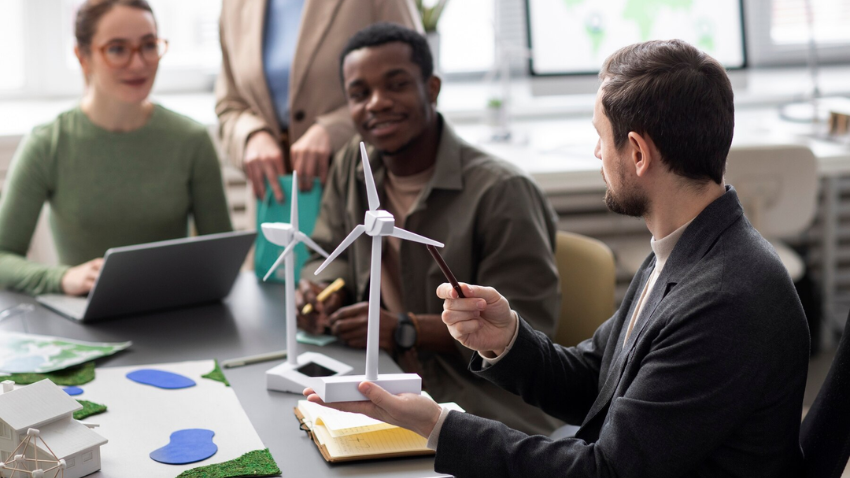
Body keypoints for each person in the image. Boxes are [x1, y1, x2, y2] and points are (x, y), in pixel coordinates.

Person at [306, 39, 811, 477]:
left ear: (637, 153)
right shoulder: (686, 248)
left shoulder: (725, 301)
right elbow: (597, 380)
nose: (596, 154)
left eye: (600, 136)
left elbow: (604, 471)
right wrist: (506, 341)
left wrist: (436, 425)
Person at [297, 23, 563, 435]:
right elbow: (326, 250)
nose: (377, 103)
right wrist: (323, 293)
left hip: (478, 403)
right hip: (380, 380)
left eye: (396, 85)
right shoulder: (354, 164)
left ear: (432, 88)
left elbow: (526, 329)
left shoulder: (502, 191)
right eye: (359, 93)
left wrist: (407, 329)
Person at [0, 0, 232, 296]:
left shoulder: (191, 140)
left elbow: (223, 255)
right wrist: (62, 278)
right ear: (82, 57)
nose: (138, 63)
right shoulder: (48, 144)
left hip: (172, 313)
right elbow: (3, 256)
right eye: (117, 49)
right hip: (83, 322)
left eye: (149, 45)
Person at [215, 0, 422, 201]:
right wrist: (251, 135)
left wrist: (332, 131)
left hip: (359, 191)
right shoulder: (233, 4)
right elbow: (229, 104)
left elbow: (416, 85)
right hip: (274, 198)